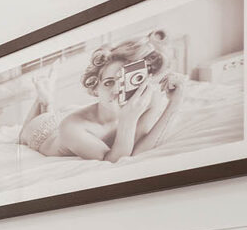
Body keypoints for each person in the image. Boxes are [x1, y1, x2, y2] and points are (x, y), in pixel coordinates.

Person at [18, 31, 186, 162]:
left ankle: (46, 100)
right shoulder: (72, 127)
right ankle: (44, 100)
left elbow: (138, 150)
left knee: (53, 110)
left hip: (74, 118)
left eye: (124, 82)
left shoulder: (147, 100)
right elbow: (114, 160)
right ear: (95, 87)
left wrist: (175, 102)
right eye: (108, 82)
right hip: (43, 132)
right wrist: (128, 120)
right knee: (21, 137)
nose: (117, 90)